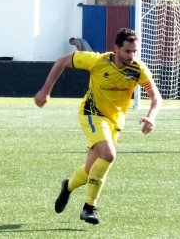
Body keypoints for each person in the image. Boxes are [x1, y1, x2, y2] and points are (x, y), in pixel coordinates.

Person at [34, 28, 162, 225]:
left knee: (89, 170)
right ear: (116, 49)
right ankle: (89, 208)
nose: (132, 56)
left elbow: (156, 96)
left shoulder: (138, 69)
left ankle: (67, 186)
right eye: (128, 51)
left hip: (114, 122)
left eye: (135, 51)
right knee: (109, 155)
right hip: (91, 114)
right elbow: (62, 61)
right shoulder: (97, 60)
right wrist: (45, 90)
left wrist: (151, 117)